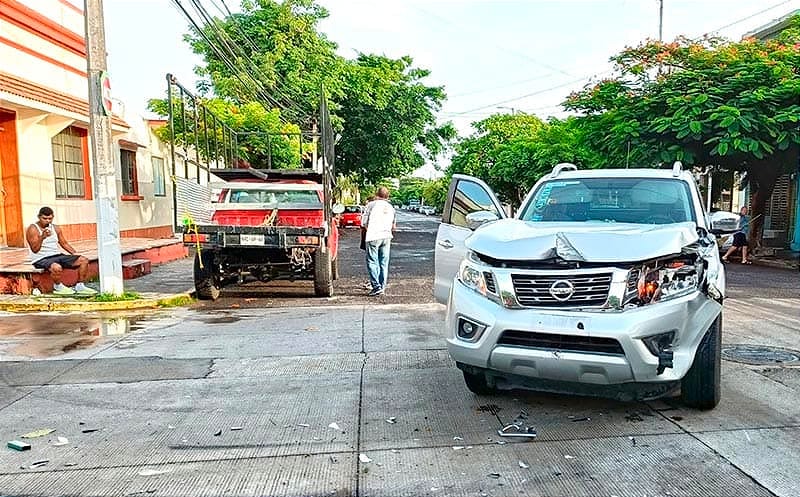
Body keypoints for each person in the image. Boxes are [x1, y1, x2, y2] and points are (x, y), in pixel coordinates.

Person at [26, 206, 97, 295]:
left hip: (57, 255)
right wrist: (42, 237)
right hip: (41, 258)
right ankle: (58, 287)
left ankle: (80, 286)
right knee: (57, 267)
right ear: (39, 217)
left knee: (84, 260)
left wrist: (75, 254)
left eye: (50, 219)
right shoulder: (33, 229)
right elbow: (34, 249)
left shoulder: (56, 228)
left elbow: (64, 243)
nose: (47, 221)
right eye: (44, 218)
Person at [362, 188, 396, 296]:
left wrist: (370, 230)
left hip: (373, 236)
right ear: (388, 196)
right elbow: (393, 226)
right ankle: (382, 286)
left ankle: (376, 287)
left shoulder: (371, 205)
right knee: (383, 263)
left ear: (376, 194)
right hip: (386, 237)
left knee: (372, 261)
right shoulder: (391, 207)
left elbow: (364, 223)